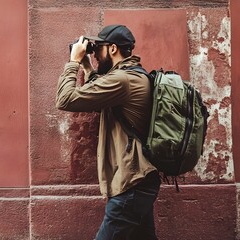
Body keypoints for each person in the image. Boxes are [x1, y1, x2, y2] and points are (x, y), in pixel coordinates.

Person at [55, 25, 161, 239]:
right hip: (140, 180)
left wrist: (74, 62)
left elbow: (65, 99)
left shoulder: (123, 80)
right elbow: (100, 90)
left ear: (113, 49)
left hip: (131, 184)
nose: (95, 53)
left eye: (99, 48)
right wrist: (87, 65)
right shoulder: (129, 76)